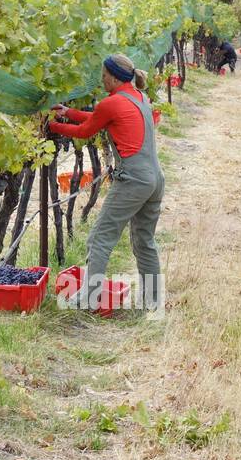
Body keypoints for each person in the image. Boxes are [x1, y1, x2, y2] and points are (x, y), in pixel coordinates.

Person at [48, 53, 166, 313]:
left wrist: (53, 126)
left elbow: (85, 131)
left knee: (99, 239)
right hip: (155, 178)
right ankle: (154, 302)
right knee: (144, 241)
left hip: (133, 179)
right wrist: (68, 112)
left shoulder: (111, 103)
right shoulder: (139, 97)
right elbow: (96, 118)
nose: (100, 80)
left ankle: (88, 299)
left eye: (103, 76)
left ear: (113, 77)